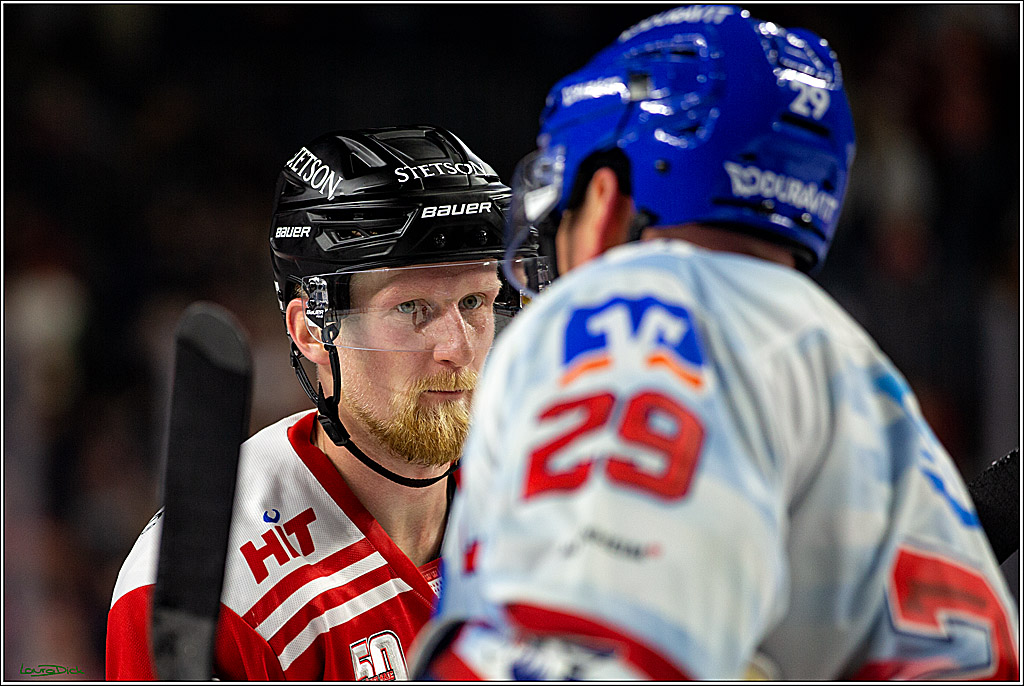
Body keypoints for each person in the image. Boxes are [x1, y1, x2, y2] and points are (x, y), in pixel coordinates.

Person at [412, 6, 1019, 680]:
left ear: (607, 198)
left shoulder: (637, 313)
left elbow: (581, 662)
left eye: (566, 212)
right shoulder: (858, 369)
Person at [105, 126, 549, 680]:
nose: (457, 349)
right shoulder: (216, 590)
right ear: (312, 330)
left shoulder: (550, 513)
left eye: (475, 301)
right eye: (412, 307)